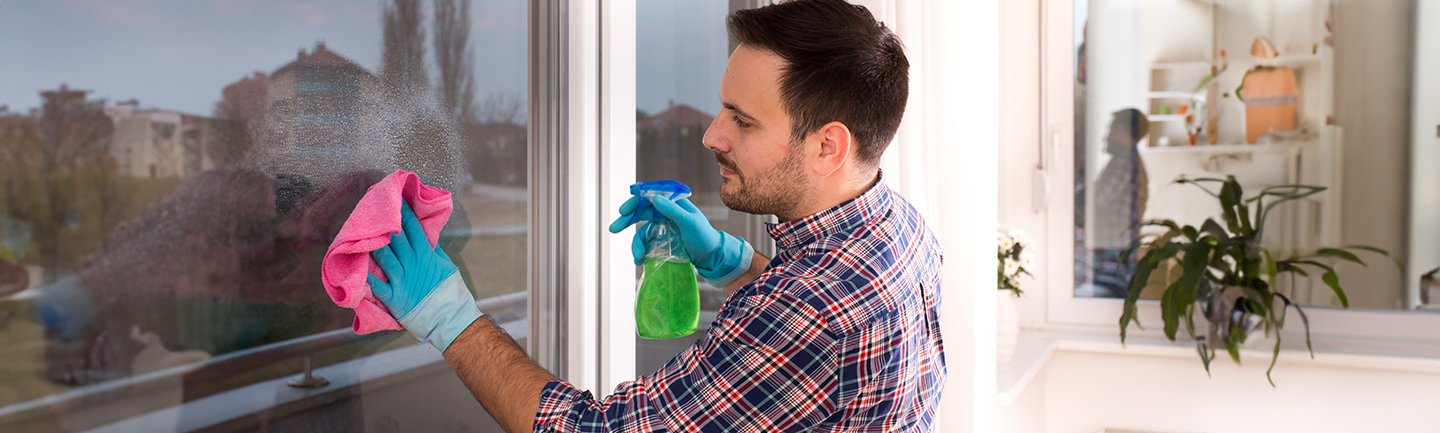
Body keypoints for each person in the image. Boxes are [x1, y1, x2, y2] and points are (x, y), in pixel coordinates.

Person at [364, 1, 945, 431]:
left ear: (828, 147)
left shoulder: (808, 316)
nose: (713, 134)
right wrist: (728, 260)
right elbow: (825, 307)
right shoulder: (902, 227)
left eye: (742, 120)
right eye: (722, 107)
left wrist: (453, 321)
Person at [1089, 108, 1150, 297]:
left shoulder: (1124, 160)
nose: (1105, 136)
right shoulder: (1132, 160)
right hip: (1119, 252)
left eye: (1110, 129)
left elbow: (1098, 199)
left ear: (1122, 131)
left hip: (1113, 255)